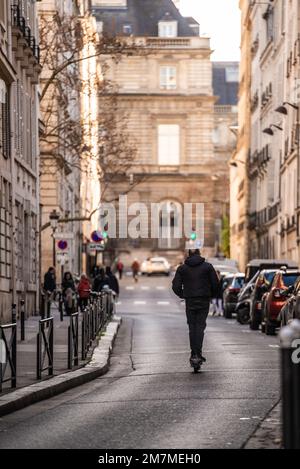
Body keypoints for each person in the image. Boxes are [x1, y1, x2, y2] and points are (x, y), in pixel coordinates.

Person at [172, 249, 219, 368]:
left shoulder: (182, 268)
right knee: (200, 326)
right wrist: (210, 295)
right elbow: (215, 284)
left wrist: (183, 294)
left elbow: (176, 286)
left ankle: (194, 354)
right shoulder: (208, 267)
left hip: (190, 301)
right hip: (203, 300)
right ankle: (198, 353)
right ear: (199, 255)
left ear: (189, 255)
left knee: (192, 327)